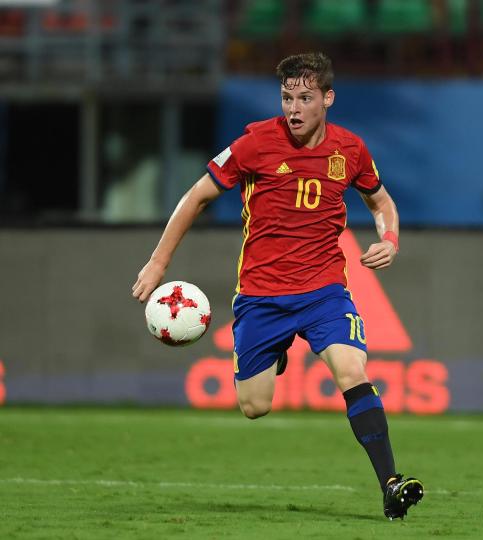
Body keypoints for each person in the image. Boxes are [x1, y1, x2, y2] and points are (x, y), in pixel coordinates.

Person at [131, 52, 424, 520]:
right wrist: (157, 262)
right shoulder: (255, 144)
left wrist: (389, 238)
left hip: (324, 289)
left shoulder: (350, 149)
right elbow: (196, 197)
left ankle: (390, 483)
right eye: (287, 97)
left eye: (305, 98)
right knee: (254, 406)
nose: (294, 108)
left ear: (327, 98)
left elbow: (381, 201)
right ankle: (278, 349)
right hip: (262, 295)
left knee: (353, 370)